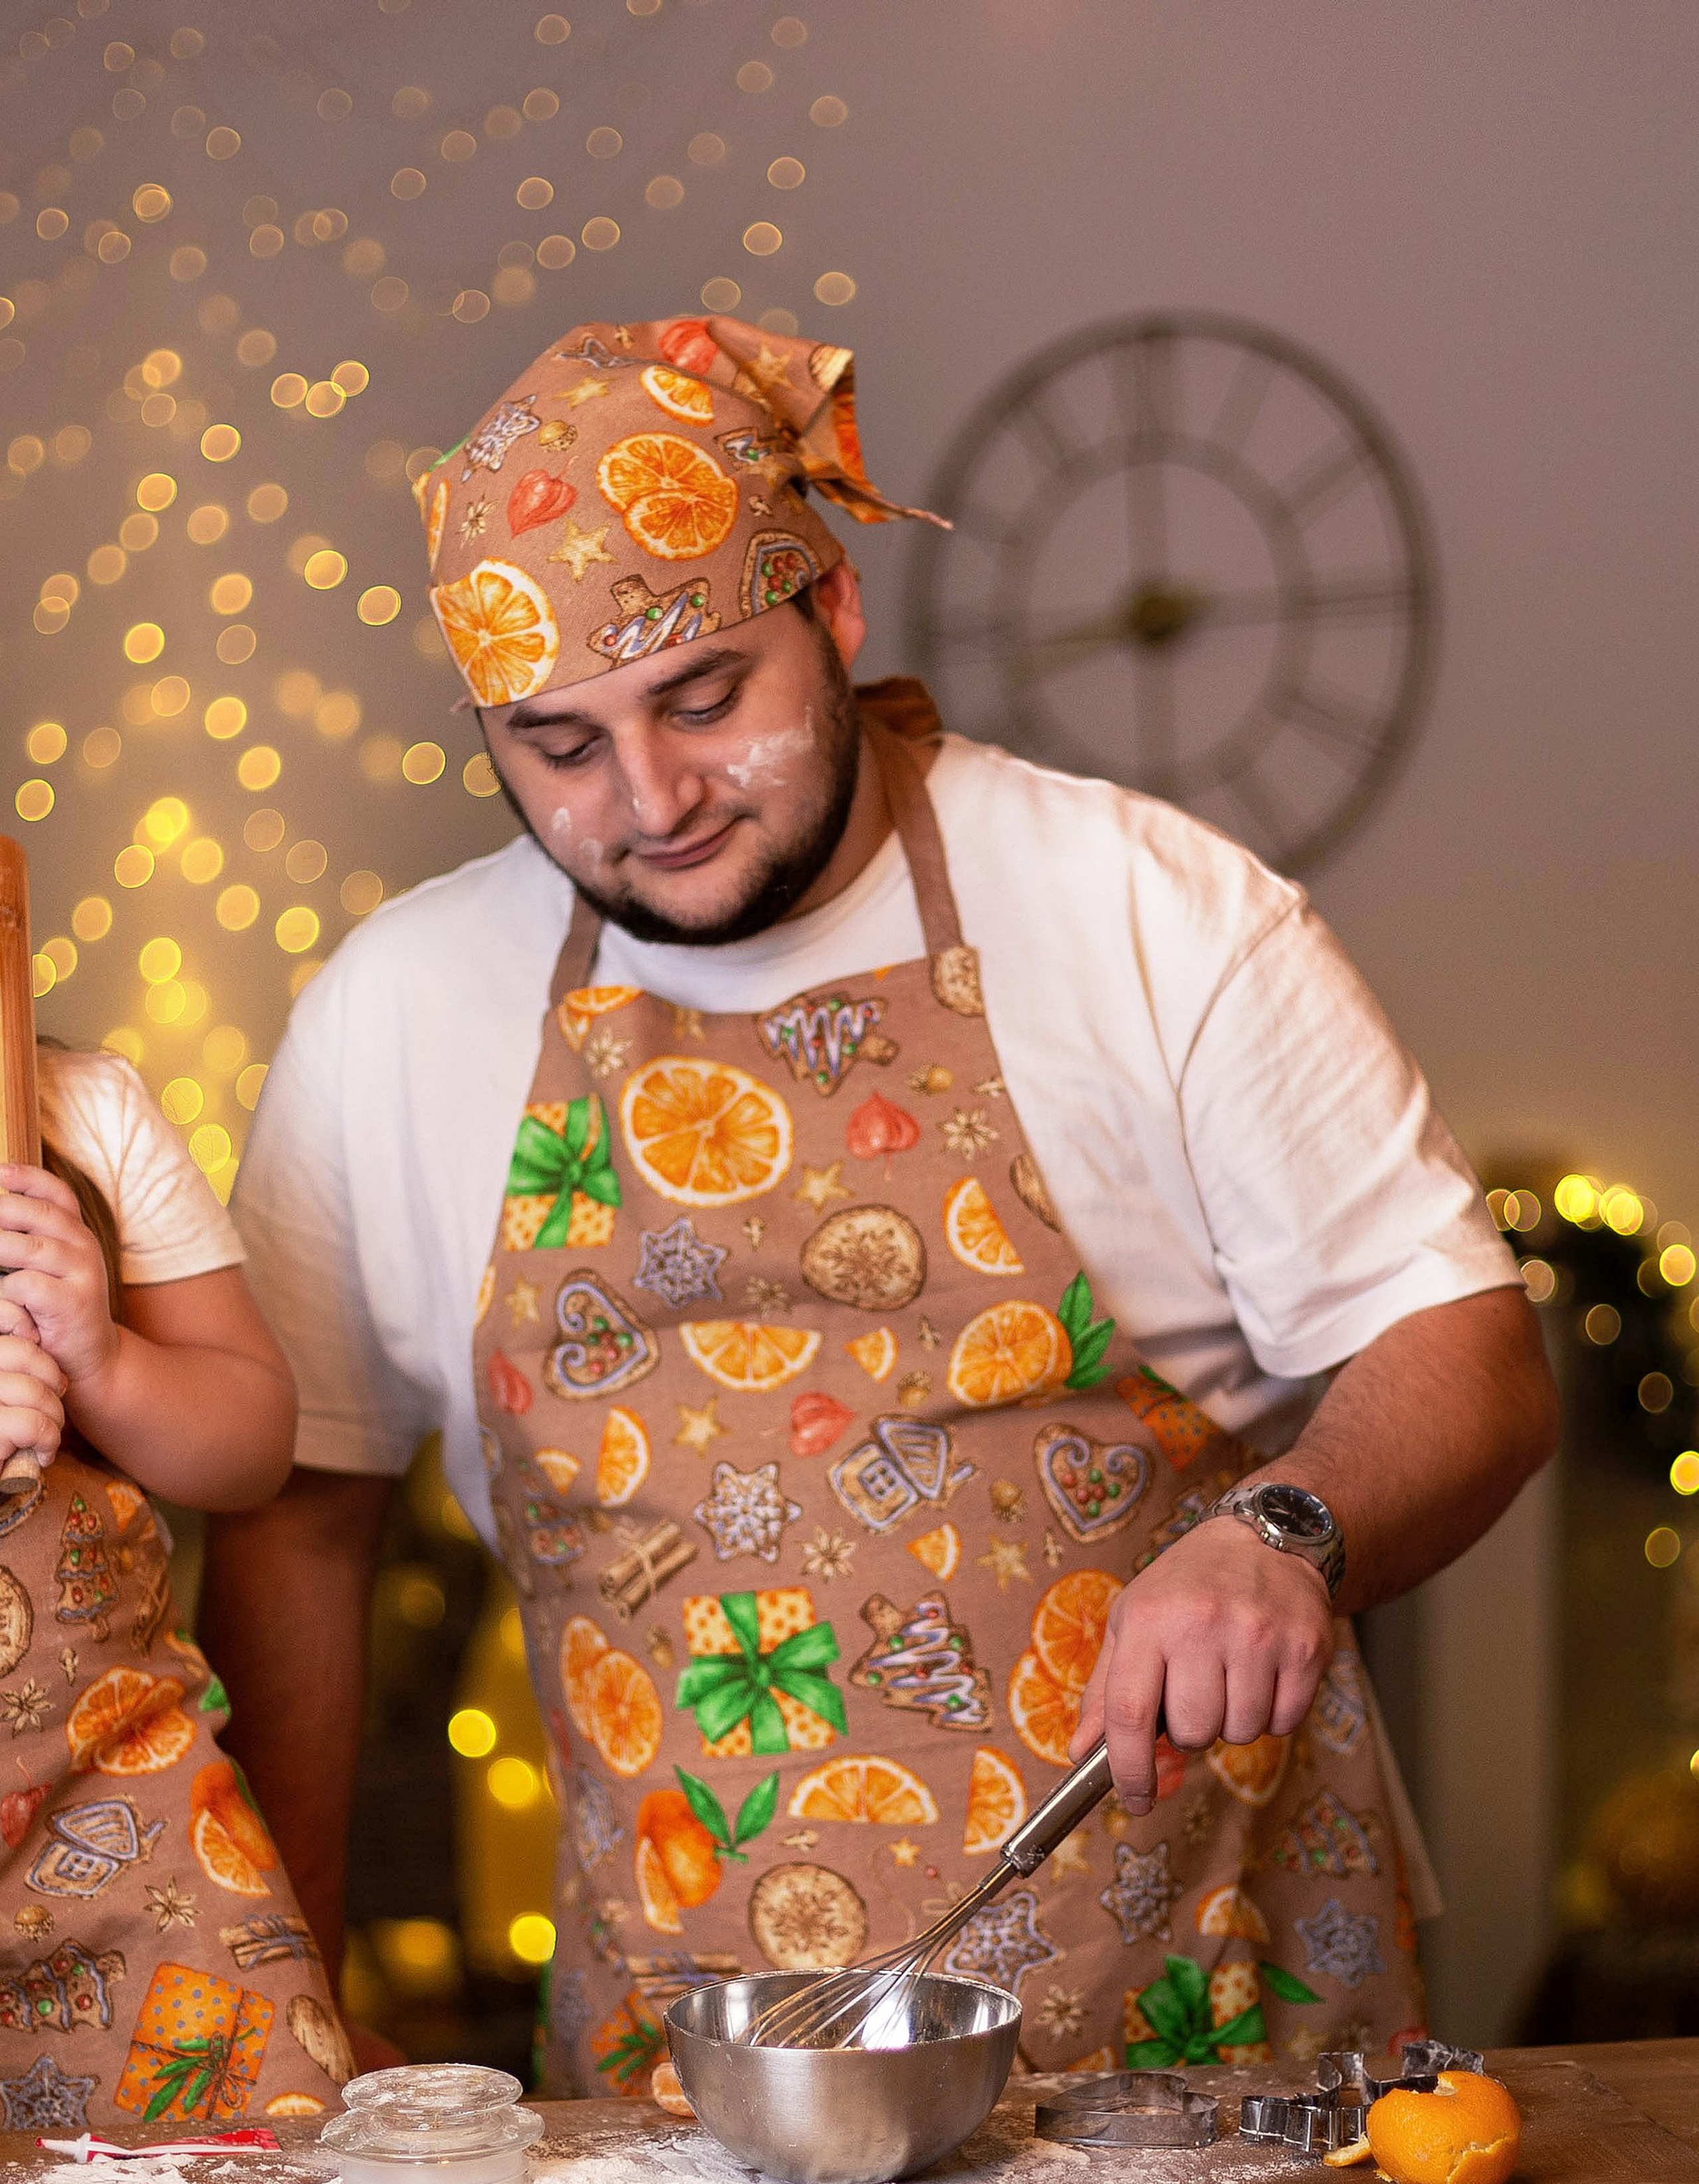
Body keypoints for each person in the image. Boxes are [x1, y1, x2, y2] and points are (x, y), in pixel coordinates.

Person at [203, 313, 1557, 2090]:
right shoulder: (395, 1013)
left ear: (834, 608)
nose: (651, 798)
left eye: (705, 699)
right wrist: (291, 1998)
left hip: (1207, 2053)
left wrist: (1287, 1530)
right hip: (695, 2092)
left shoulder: (1146, 908)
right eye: (559, 745)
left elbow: (1470, 1355)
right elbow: (300, 1520)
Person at [0, 1044, 350, 2132]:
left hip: (127, 1814)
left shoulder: (81, 1113)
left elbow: (252, 1448)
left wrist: (107, 1361)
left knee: (266, 2159)